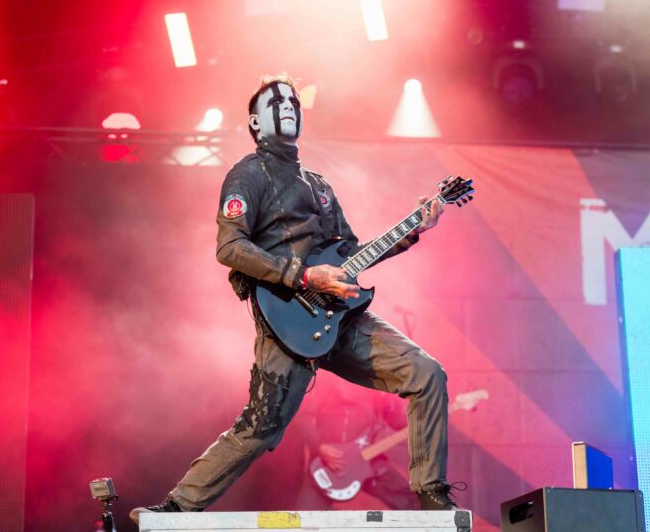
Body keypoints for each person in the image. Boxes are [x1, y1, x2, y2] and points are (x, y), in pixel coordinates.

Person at [131, 74, 455, 524]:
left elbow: (352, 254)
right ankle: (176, 508)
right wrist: (303, 275)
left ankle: (433, 496)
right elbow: (230, 247)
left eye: (293, 101)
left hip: (340, 317)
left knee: (428, 374)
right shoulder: (247, 174)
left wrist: (413, 229)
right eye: (275, 100)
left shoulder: (319, 185)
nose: (288, 104)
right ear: (254, 122)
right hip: (287, 322)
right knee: (261, 427)